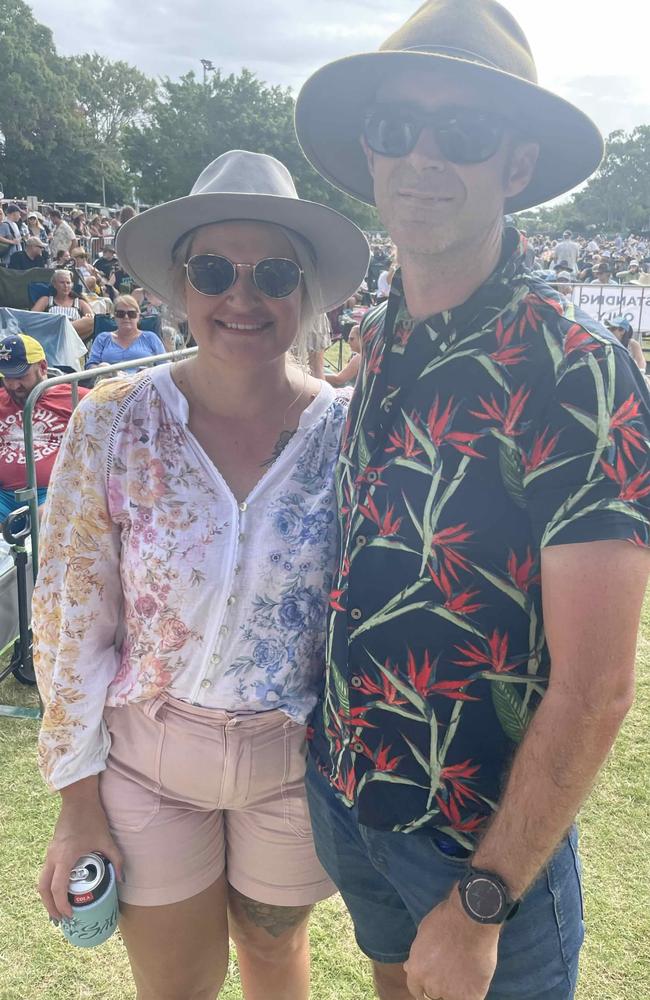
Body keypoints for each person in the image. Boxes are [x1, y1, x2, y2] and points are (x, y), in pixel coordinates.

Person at [295, 3, 650, 1000]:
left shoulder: (575, 367)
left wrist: (485, 895)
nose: (420, 156)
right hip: (351, 790)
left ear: (516, 166)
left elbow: (595, 684)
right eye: (395, 125)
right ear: (368, 149)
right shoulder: (376, 333)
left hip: (478, 844)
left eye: (462, 132)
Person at [35, 149, 369, 1000]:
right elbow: (72, 618)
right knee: (177, 984)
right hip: (150, 759)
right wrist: (77, 802)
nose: (242, 297)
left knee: (271, 957)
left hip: (292, 767)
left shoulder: (352, 435)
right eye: (215, 269)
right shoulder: (114, 422)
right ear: (182, 285)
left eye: (274, 274)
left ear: (306, 291)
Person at [0, 333, 87, 524]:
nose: (13, 385)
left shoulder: (74, 396)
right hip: (4, 495)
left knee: (44, 518)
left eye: (21, 376)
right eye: (7, 377)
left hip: (53, 491)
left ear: (43, 367)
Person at [85, 294, 166, 370]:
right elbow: (90, 365)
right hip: (110, 381)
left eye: (131, 314)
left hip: (143, 382)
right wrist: (102, 369)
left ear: (138, 316)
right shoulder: (102, 338)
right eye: (121, 314)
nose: (126, 317)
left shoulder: (151, 337)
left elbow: (164, 365)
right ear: (114, 317)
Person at [31, 268, 95, 341]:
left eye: (68, 283)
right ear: (54, 284)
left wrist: (88, 316)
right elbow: (32, 318)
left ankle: (63, 334)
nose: (65, 286)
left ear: (72, 285)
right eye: (62, 282)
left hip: (72, 340)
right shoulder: (46, 300)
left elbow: (92, 320)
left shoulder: (80, 303)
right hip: (51, 336)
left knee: (92, 321)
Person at [325, 323, 362, 387]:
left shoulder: (359, 357)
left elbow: (338, 380)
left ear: (361, 339)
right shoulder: (366, 355)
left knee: (321, 370)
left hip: (350, 390)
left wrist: (314, 376)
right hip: (351, 387)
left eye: (352, 339)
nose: (348, 342)